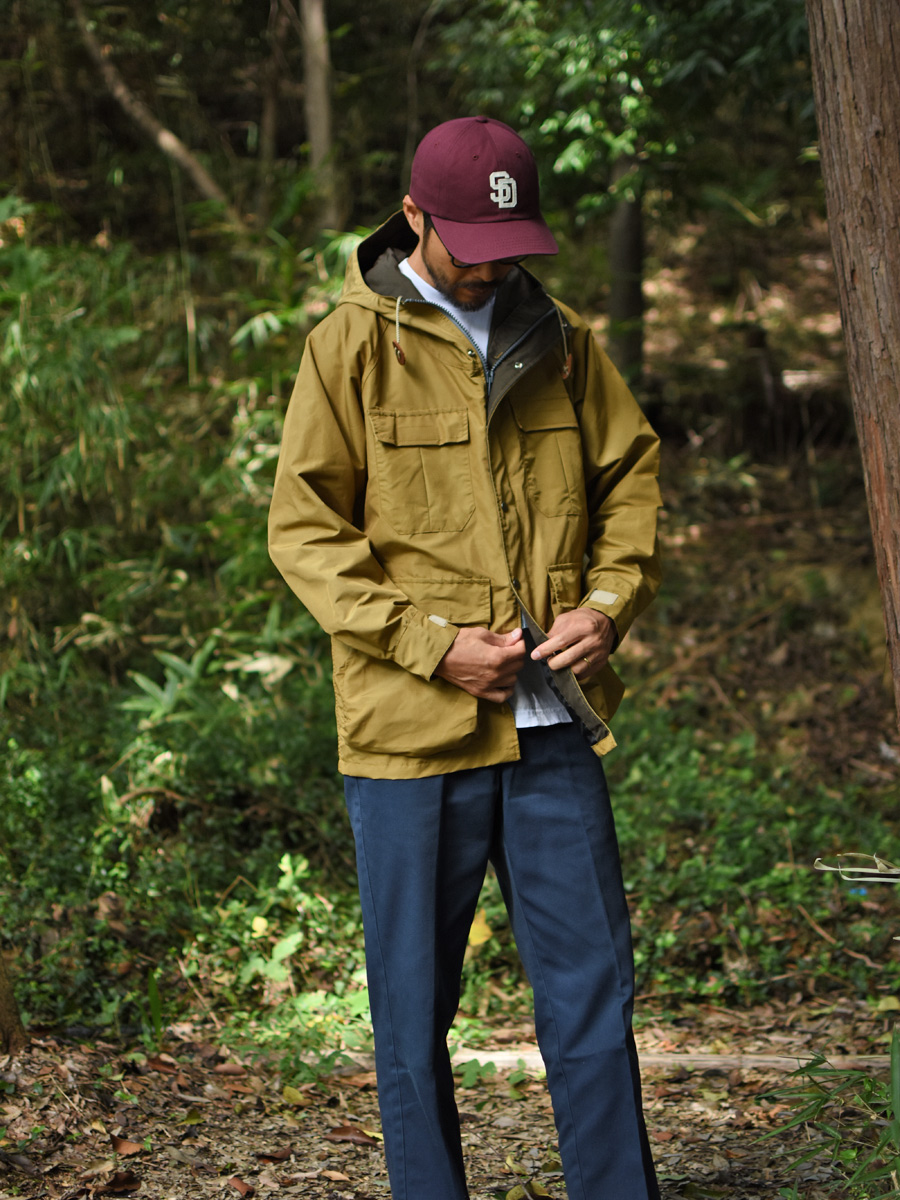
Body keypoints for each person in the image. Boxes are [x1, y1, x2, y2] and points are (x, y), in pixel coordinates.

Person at [269, 115, 662, 1200]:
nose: (492, 270)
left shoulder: (563, 340)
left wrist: (610, 604)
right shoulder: (347, 349)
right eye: (471, 249)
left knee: (594, 997)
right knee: (411, 1013)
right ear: (414, 218)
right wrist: (434, 649)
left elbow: (630, 477)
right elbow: (305, 534)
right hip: (411, 739)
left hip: (554, 729)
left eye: (510, 247)